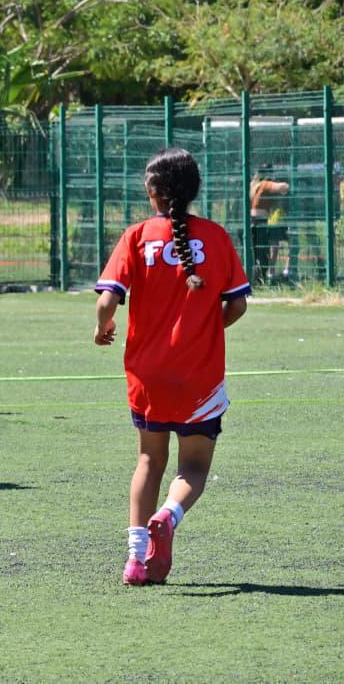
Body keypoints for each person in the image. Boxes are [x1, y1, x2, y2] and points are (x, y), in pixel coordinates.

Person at [93, 148, 250, 586]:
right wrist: (206, 328)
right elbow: (236, 304)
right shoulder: (216, 238)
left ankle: (135, 560)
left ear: (153, 193)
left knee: (148, 460)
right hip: (199, 376)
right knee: (194, 468)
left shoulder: (138, 236)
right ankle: (169, 514)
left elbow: (107, 299)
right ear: (193, 190)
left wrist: (102, 327)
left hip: (147, 376)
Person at [249, 165, 290, 282]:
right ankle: (262, 279)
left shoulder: (253, 185)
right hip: (260, 222)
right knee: (263, 255)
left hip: (252, 221)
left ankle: (257, 279)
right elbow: (283, 187)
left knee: (256, 253)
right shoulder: (265, 184)